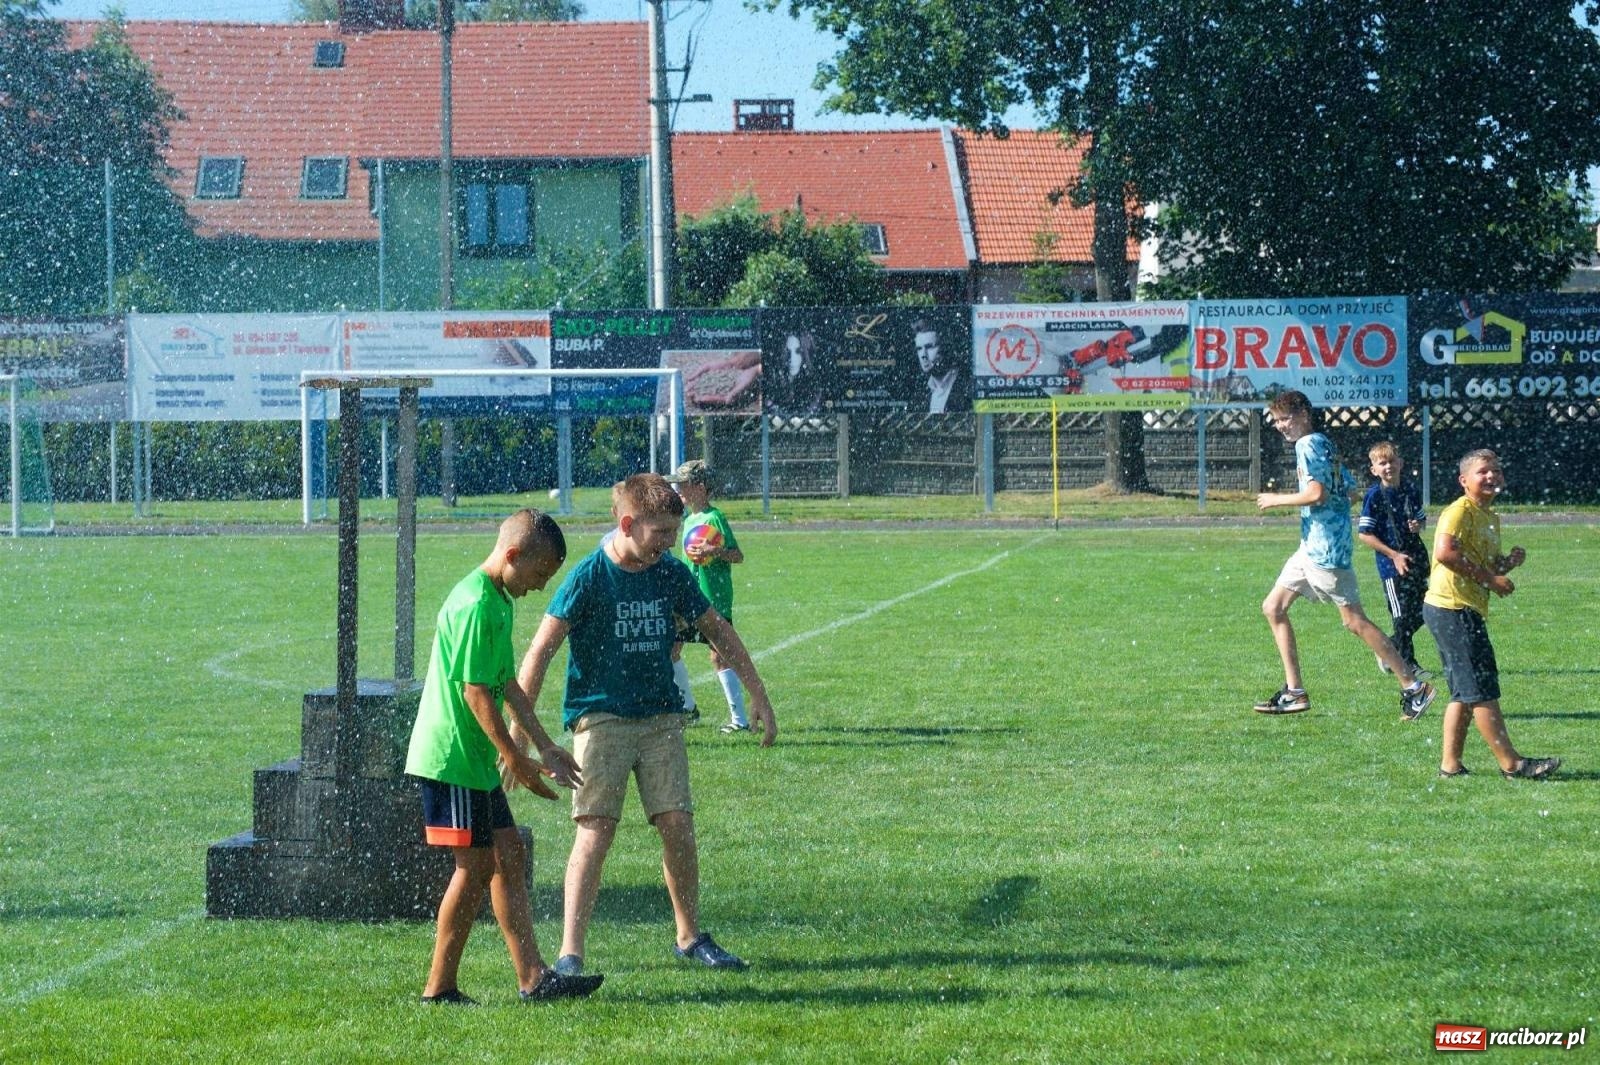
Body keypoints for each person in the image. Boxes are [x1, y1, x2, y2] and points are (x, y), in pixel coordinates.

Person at [517, 473, 777, 979]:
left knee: (677, 824)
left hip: (661, 718)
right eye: (660, 533)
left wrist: (758, 693)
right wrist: (520, 734)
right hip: (601, 718)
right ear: (627, 524)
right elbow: (540, 651)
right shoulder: (589, 576)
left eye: (673, 532)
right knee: (595, 831)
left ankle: (690, 936)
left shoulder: (670, 572)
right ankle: (570, 954)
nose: (669, 543)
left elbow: (717, 629)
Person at [404, 509, 605, 1005]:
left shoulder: (498, 599)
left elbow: (506, 684)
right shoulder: (476, 603)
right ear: (512, 555)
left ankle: (533, 978)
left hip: (473, 757)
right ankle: (438, 988)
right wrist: (514, 758)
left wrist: (544, 744)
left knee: (509, 854)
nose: (540, 586)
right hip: (453, 757)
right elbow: (475, 693)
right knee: (474, 867)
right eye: (538, 574)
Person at [1253, 390, 1436, 720]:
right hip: (1313, 546)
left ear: (1304, 415)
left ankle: (1413, 687)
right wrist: (1331, 513)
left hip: (1325, 551)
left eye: (1285, 419)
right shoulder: (1324, 443)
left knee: (1354, 621)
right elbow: (1350, 491)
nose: (1280, 426)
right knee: (1273, 607)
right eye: (1276, 421)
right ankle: (1295, 692)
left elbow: (1316, 494)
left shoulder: (1307, 445)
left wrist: (1276, 500)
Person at [1424, 450, 1560, 780]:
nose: (1491, 476)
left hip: (1459, 608)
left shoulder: (1490, 516)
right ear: (1464, 480)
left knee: (1464, 691)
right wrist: (1491, 580)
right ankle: (1512, 764)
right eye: (1483, 471)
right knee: (1481, 688)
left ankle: (1450, 765)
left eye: (1496, 471)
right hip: (1451, 607)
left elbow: (1485, 565)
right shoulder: (1459, 511)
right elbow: (1444, 553)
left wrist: (1507, 563)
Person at [665, 459, 750, 735]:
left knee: (720, 657)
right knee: (671, 648)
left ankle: (740, 720)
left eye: (683, 484)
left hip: (714, 599)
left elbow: (737, 555)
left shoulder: (715, 518)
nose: (678, 489)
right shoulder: (688, 519)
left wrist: (715, 552)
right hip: (688, 598)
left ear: (700, 487)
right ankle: (688, 708)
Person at [1356, 440, 1434, 678]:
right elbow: (1364, 534)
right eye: (1382, 463)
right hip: (1391, 566)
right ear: (1374, 470)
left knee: (1426, 611)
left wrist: (1418, 525)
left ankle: (1387, 647)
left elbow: (1421, 520)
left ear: (1401, 463)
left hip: (1415, 559)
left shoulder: (1410, 489)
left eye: (1391, 461)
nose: (1388, 466)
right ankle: (1408, 663)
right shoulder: (1374, 496)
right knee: (1400, 615)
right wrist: (1394, 555)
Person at [912, 319, 970, 413]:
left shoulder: (967, 384)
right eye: (919, 349)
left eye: (929, 347)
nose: (923, 355)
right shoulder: (920, 393)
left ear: (945, 347)